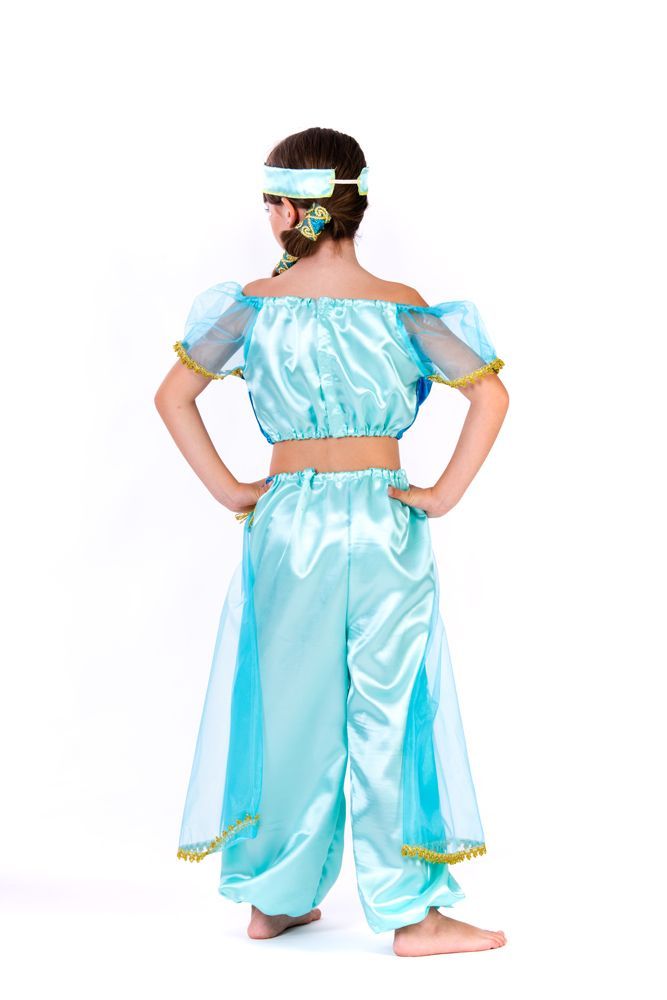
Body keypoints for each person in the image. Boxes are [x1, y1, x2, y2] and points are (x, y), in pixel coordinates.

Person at [154, 127, 509, 958]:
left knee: (290, 706)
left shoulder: (254, 305)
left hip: (287, 526)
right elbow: (489, 396)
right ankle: (413, 914)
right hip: (382, 522)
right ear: (356, 204)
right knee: (388, 704)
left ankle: (275, 897)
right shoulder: (399, 303)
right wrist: (440, 496)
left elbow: (173, 396)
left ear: (288, 212)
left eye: (268, 206)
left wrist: (234, 490)